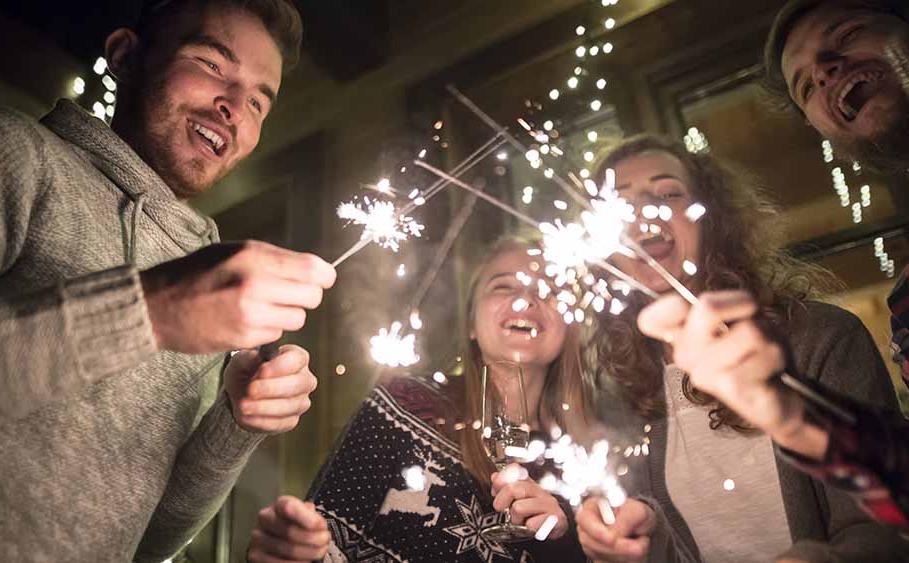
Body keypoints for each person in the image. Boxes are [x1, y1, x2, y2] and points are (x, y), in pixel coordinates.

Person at [0, 1, 336, 561]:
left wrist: (234, 422)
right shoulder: (1, 149)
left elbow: (150, 540)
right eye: (211, 64)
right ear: (126, 56)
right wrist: (150, 312)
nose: (234, 107)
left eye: (258, 100)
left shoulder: (205, 272)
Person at [632, 0, 909, 536]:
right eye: (806, 85)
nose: (826, 70)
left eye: (849, 33)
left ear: (713, 215)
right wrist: (794, 418)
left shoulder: (821, 337)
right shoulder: (904, 305)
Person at [575, 134, 909, 562]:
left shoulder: (823, 337)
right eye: (622, 203)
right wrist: (639, 539)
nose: (645, 211)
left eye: (668, 193)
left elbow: (887, 527)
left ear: (711, 217)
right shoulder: (619, 387)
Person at [247, 236, 593, 562]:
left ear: (570, 324)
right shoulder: (403, 402)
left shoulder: (590, 465)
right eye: (502, 286)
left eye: (548, 288)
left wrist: (561, 539)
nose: (524, 300)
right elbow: (319, 540)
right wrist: (293, 546)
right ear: (471, 323)